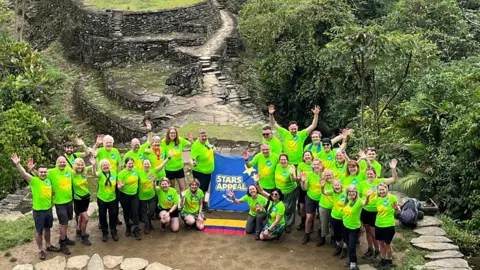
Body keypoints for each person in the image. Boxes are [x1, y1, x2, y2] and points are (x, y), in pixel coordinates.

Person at [11, 154, 60, 260]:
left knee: (48, 229)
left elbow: (50, 192)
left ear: (47, 173)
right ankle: (40, 250)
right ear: (38, 172)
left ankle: (48, 245)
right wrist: (18, 164)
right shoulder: (34, 181)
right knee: (39, 231)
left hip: (48, 209)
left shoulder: (48, 181)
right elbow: (24, 174)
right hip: (38, 211)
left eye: (45, 172)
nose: (43, 173)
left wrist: (52, 194)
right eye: (41, 172)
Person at [358, 157, 398, 260]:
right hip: (365, 210)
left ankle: (378, 250)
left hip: (376, 212)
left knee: (374, 232)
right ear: (365, 174)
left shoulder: (380, 182)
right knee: (367, 230)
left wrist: (393, 169)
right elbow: (358, 196)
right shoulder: (362, 184)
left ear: (375, 174)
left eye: (371, 173)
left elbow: (394, 179)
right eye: (368, 173)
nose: (370, 175)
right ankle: (370, 248)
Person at [257, 154, 296, 233]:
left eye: (284, 159)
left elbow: (294, 180)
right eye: (281, 159)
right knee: (278, 208)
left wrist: (292, 173)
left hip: (289, 191)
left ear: (287, 160)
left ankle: (288, 224)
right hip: (279, 192)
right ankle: (276, 222)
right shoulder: (277, 166)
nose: (283, 161)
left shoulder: (290, 168)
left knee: (288, 208)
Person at [47, 156, 75, 255]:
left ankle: (64, 238)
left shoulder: (69, 170)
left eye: (64, 162)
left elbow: (80, 171)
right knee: (64, 223)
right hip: (59, 203)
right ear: (56, 163)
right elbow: (40, 175)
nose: (62, 164)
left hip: (69, 201)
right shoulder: (51, 172)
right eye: (60, 162)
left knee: (67, 222)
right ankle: (63, 245)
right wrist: (32, 169)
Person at [343, 186, 375, 270]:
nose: (351, 193)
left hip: (354, 228)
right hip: (345, 225)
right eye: (349, 191)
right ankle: (350, 259)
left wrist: (367, 197)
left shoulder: (359, 200)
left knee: (352, 245)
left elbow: (365, 203)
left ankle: (353, 263)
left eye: (353, 191)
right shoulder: (347, 200)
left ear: (356, 192)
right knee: (348, 243)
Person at [139, 155, 171, 234]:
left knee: (152, 211)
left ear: (150, 164)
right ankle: (147, 225)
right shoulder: (138, 173)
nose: (146, 165)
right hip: (142, 196)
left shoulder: (153, 171)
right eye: (145, 164)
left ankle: (148, 221)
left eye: (148, 163)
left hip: (152, 195)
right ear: (142, 165)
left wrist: (168, 158)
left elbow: (161, 165)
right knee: (144, 211)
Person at [374, 182, 400, 269]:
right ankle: (382, 259)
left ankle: (389, 260)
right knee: (381, 244)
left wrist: (396, 208)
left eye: (383, 189)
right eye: (380, 190)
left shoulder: (392, 197)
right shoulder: (377, 199)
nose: (381, 191)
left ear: (386, 189)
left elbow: (398, 212)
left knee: (387, 244)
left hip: (388, 225)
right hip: (378, 224)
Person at [72, 157, 96, 246]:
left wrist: (94, 164)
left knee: (82, 217)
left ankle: (79, 230)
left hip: (86, 197)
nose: (80, 166)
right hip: (78, 199)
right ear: (75, 165)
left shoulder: (84, 172)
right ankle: (83, 236)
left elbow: (91, 167)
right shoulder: (71, 174)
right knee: (86, 218)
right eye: (78, 165)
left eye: (81, 165)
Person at [299, 159, 323, 245]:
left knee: (321, 218)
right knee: (309, 217)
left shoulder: (324, 174)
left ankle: (320, 234)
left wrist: (320, 172)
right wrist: (302, 181)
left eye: (318, 164)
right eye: (315, 164)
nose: (316, 166)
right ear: (312, 166)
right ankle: (307, 234)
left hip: (321, 198)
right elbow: (304, 188)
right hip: (310, 197)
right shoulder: (309, 174)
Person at [162, 127, 192, 196]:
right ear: (168, 134)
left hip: (179, 168)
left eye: (174, 133)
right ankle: (173, 205)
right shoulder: (164, 142)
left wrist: (191, 140)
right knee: (171, 189)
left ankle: (182, 203)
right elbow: (154, 145)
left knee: (183, 188)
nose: (173, 134)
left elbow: (190, 144)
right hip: (169, 169)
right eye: (171, 133)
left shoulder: (180, 140)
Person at [321, 179, 347, 258]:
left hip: (345, 218)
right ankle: (339, 245)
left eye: (338, 185)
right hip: (334, 216)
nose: (337, 187)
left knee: (345, 234)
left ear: (341, 185)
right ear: (333, 187)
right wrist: (322, 187)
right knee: (336, 233)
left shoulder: (346, 192)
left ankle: (345, 249)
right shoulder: (332, 192)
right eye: (335, 186)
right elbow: (324, 192)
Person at [190, 130, 215, 212]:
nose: (204, 138)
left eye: (205, 136)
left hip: (208, 171)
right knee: (199, 189)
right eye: (202, 136)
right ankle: (198, 206)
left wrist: (213, 149)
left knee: (204, 189)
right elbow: (192, 158)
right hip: (199, 171)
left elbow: (208, 147)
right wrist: (193, 162)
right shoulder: (195, 146)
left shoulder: (206, 141)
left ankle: (203, 203)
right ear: (198, 137)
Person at [95, 159, 119, 242]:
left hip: (112, 198)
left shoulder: (114, 173)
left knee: (113, 215)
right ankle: (104, 232)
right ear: (101, 167)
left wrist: (120, 185)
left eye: (106, 165)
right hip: (102, 198)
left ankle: (113, 231)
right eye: (103, 165)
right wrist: (94, 165)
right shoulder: (100, 173)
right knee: (102, 215)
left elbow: (118, 182)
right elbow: (95, 174)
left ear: (109, 165)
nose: (105, 166)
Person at [117, 157, 141, 240]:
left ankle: (136, 229)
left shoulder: (136, 171)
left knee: (135, 212)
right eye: (129, 163)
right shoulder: (121, 173)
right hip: (124, 195)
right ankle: (128, 227)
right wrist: (120, 186)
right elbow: (119, 186)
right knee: (126, 212)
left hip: (134, 195)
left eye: (132, 163)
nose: (131, 165)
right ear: (125, 164)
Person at [296, 151, 314, 232]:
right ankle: (303, 221)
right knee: (302, 207)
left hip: (312, 189)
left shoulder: (314, 164)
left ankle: (311, 223)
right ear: (303, 158)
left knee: (311, 208)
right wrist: (301, 178)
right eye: (305, 155)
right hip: (303, 188)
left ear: (311, 156)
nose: (307, 157)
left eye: (308, 155)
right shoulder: (301, 165)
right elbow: (298, 176)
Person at [318, 169, 335, 246]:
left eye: (329, 175)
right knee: (324, 223)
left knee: (333, 224)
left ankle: (333, 237)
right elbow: (322, 192)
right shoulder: (322, 182)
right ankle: (323, 237)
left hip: (334, 207)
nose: (328, 176)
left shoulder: (336, 183)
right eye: (326, 175)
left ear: (333, 175)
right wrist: (322, 187)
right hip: (324, 206)